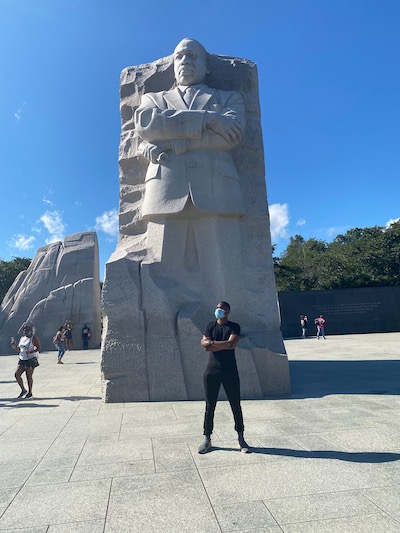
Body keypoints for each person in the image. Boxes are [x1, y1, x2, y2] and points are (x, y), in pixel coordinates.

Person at [198, 301, 250, 454]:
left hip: (229, 371)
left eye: (221, 308)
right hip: (211, 371)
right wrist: (218, 344)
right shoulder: (210, 326)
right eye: (217, 308)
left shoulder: (234, 326)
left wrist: (212, 343)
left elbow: (231, 345)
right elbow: (205, 346)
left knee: (235, 404)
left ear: (227, 311)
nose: (218, 310)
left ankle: (241, 438)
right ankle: (207, 438)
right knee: (210, 405)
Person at [11, 322, 41, 399]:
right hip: (22, 358)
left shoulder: (34, 338)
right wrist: (14, 346)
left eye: (27, 330)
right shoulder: (22, 338)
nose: (25, 331)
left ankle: (30, 392)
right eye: (24, 330)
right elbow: (19, 349)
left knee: (28, 376)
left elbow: (38, 348)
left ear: (31, 330)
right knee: (17, 374)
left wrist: (31, 352)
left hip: (30, 359)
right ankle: (23, 390)